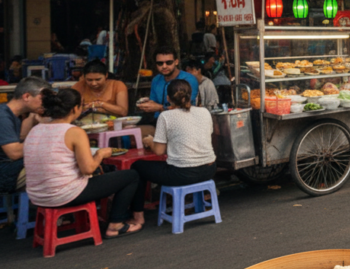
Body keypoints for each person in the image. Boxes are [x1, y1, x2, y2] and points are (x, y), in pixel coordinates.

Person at [23, 89, 141, 237]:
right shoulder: (74, 131)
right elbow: (88, 169)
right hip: (64, 195)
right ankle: (116, 224)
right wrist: (101, 153)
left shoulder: (35, 130)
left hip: (37, 196)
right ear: (75, 108)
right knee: (131, 176)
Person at [136, 79, 217, 228]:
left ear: (168, 99)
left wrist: (150, 141)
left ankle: (137, 216)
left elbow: (159, 151)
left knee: (138, 166)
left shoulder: (166, 116)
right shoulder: (204, 112)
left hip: (182, 174)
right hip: (209, 170)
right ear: (191, 96)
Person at [0, 77, 49, 194]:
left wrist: (33, 117)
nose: (45, 104)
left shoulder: (9, 112)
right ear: (26, 96)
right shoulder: (3, 117)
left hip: (6, 165)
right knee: (52, 159)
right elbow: (14, 153)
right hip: (3, 171)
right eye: (42, 99)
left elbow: (21, 137)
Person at [137, 47, 199, 136]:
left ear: (176, 62)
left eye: (169, 62)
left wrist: (160, 107)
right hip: (159, 122)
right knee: (130, 132)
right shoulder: (156, 80)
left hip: (183, 123)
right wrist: (146, 104)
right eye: (160, 63)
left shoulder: (188, 80)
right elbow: (153, 103)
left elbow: (185, 106)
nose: (164, 66)